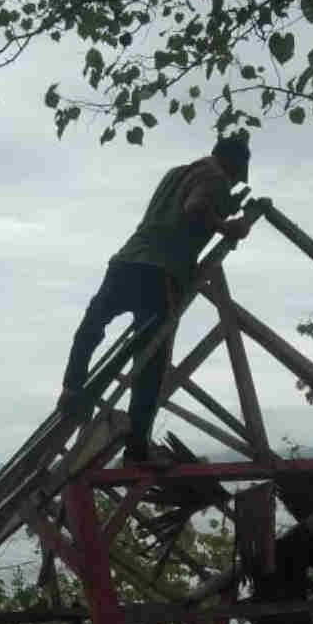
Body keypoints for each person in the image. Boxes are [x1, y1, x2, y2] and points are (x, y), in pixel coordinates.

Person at [57, 132, 254, 465]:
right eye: (236, 176)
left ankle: (71, 389)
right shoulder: (216, 178)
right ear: (233, 164)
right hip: (161, 272)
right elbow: (195, 207)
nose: (234, 183)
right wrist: (227, 228)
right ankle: (137, 450)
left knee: (93, 324)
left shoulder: (176, 173)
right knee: (151, 363)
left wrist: (224, 209)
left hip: (126, 262)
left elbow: (179, 207)